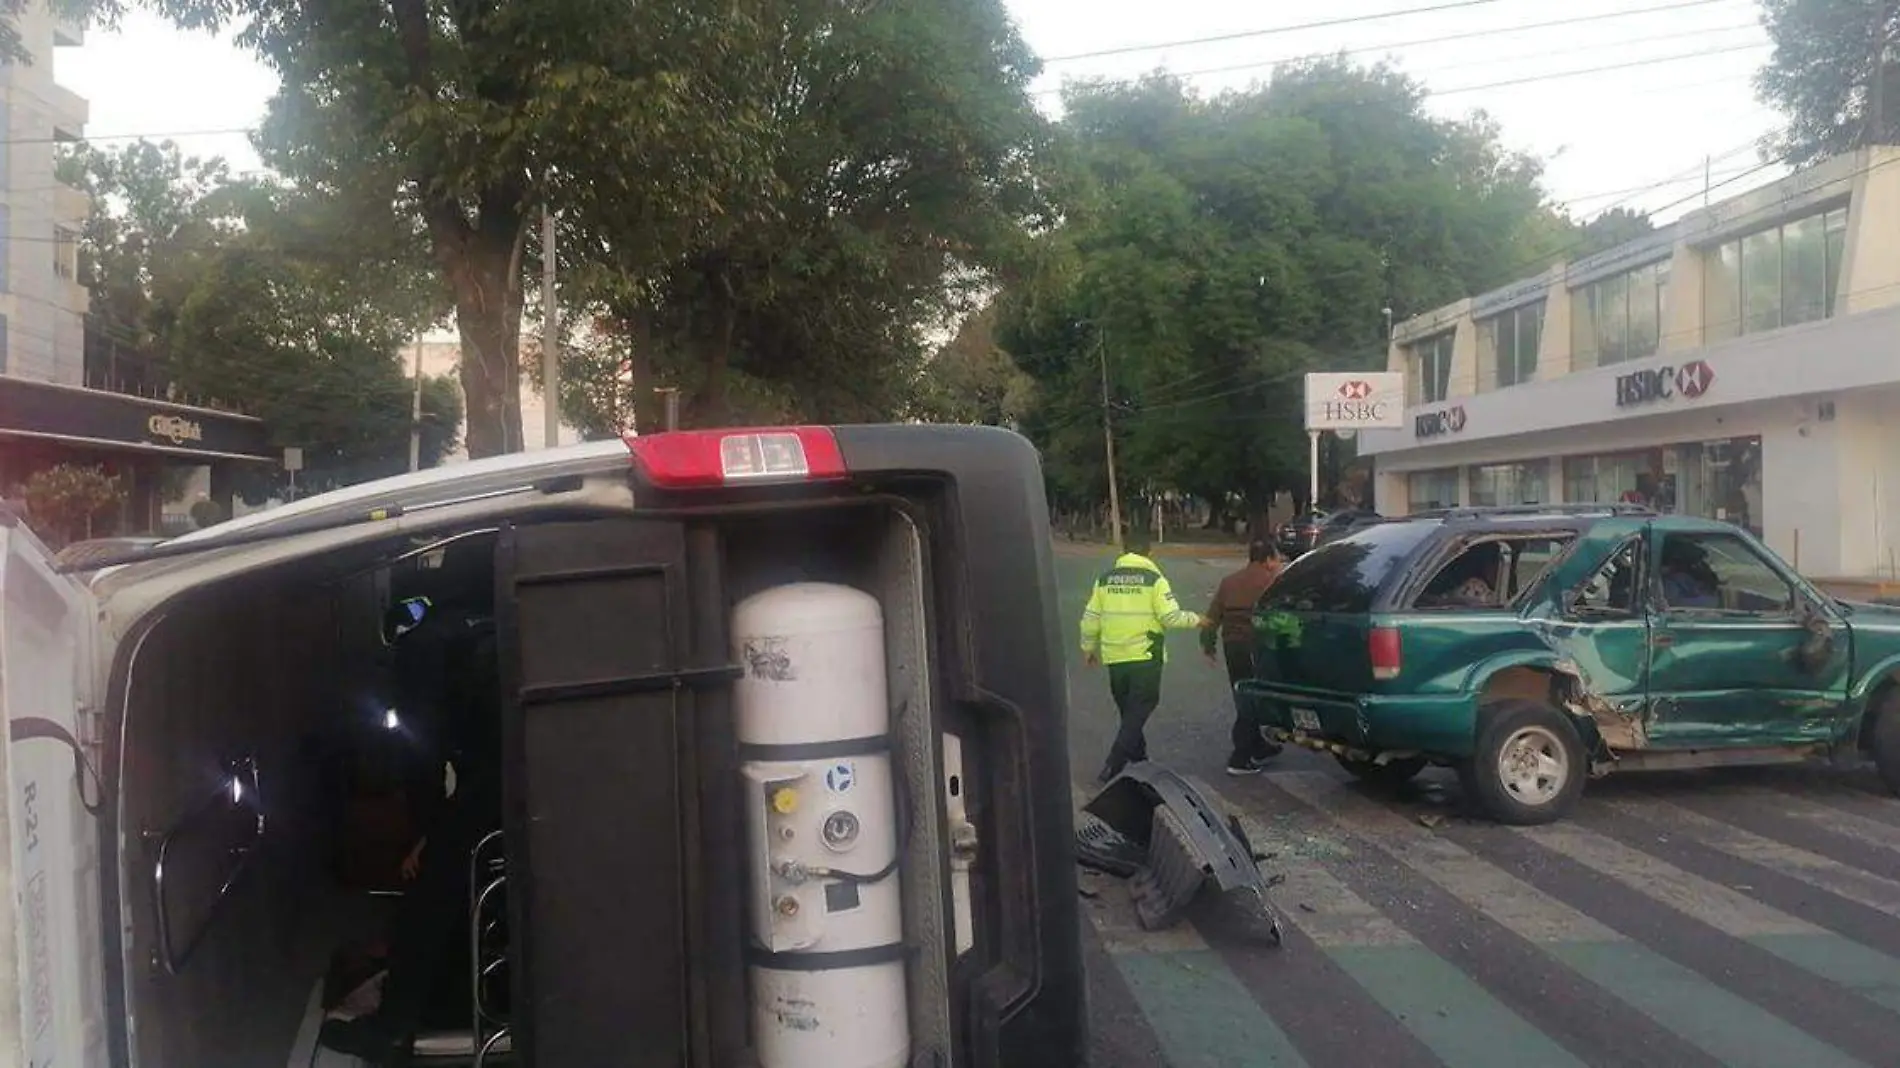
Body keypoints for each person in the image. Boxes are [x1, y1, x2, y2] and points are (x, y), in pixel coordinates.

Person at [322, 542, 503, 1066]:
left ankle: (394, 1027)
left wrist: (426, 829)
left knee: (429, 900)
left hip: (480, 789)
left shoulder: (429, 639)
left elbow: (423, 749)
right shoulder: (520, 617)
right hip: (530, 779)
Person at [1079, 529, 1205, 783]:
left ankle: (1140, 758)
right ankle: (1114, 762)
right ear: (1149, 552)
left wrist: (1088, 648)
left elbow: (1090, 619)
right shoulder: (1154, 579)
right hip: (1145, 656)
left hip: (1115, 657)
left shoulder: (1105, 580)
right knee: (1140, 708)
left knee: (1129, 711)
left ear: (1124, 551)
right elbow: (1170, 617)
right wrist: (1197, 620)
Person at [1201, 538, 1287, 776]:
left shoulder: (1229, 582)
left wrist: (1208, 646)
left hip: (1233, 647)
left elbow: (1211, 618)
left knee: (1243, 693)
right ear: (1268, 560)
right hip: (1259, 647)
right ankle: (1240, 757)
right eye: (1277, 558)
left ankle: (1259, 746)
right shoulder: (1273, 583)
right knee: (1253, 701)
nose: (1280, 563)